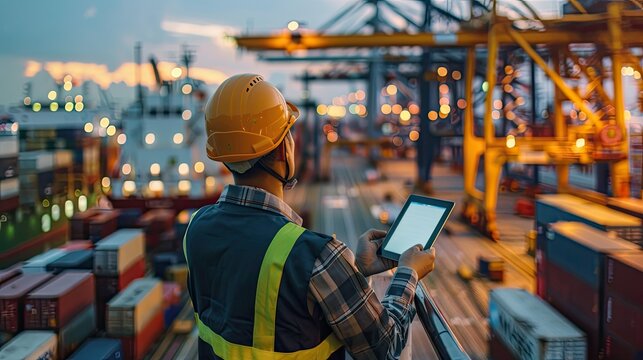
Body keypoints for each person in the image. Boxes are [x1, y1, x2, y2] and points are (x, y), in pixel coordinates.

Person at [183, 74, 437, 359]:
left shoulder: (196, 229)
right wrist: (408, 273)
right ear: (284, 148)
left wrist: (354, 273)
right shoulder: (318, 255)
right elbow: (384, 346)